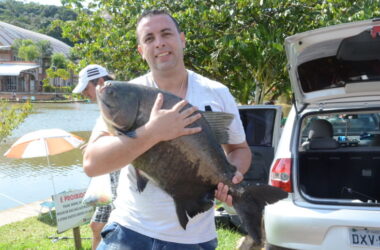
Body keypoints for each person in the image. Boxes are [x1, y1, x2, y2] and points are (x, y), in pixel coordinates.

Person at [83, 9, 252, 249]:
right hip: (129, 231)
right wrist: (153, 131)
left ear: (182, 39)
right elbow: (92, 164)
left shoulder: (216, 93)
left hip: (194, 239)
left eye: (166, 34)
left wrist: (232, 177)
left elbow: (239, 149)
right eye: (149, 39)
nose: (159, 43)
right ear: (141, 51)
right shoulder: (126, 94)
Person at [72, 64, 120, 250]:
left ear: (100, 82)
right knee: (96, 226)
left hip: (122, 178)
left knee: (112, 229)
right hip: (109, 178)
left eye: (86, 88)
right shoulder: (106, 106)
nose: (85, 94)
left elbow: (131, 140)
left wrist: (99, 147)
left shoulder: (120, 104)